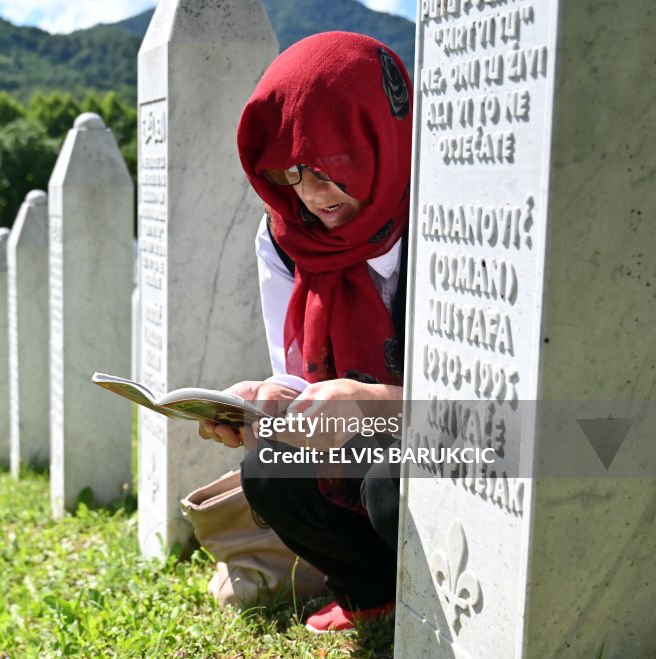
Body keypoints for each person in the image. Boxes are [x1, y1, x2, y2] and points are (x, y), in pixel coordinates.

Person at [198, 32, 413, 633]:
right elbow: (296, 375)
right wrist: (265, 400)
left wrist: (374, 402)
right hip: (366, 433)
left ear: (376, 135)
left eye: (325, 167)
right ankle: (372, 590)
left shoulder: (451, 216)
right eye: (288, 172)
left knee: (395, 479)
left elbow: (500, 412)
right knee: (271, 469)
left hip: (460, 438)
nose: (309, 195)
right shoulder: (284, 236)